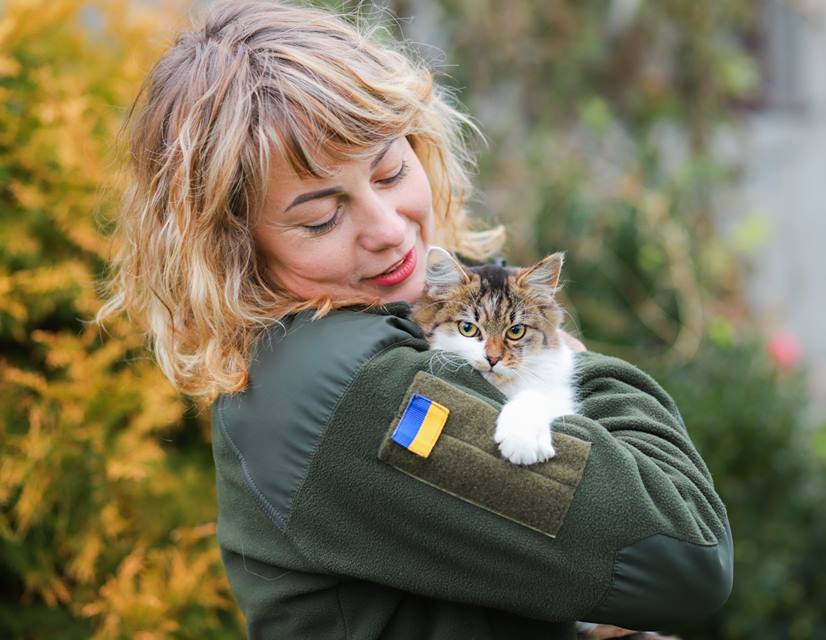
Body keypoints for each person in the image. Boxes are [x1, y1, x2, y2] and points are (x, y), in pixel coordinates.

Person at [97, 1, 733, 638]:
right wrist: (566, 359)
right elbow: (685, 549)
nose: (386, 228)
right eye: (322, 216)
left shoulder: (369, 339)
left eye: (390, 170)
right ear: (233, 251)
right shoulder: (351, 390)